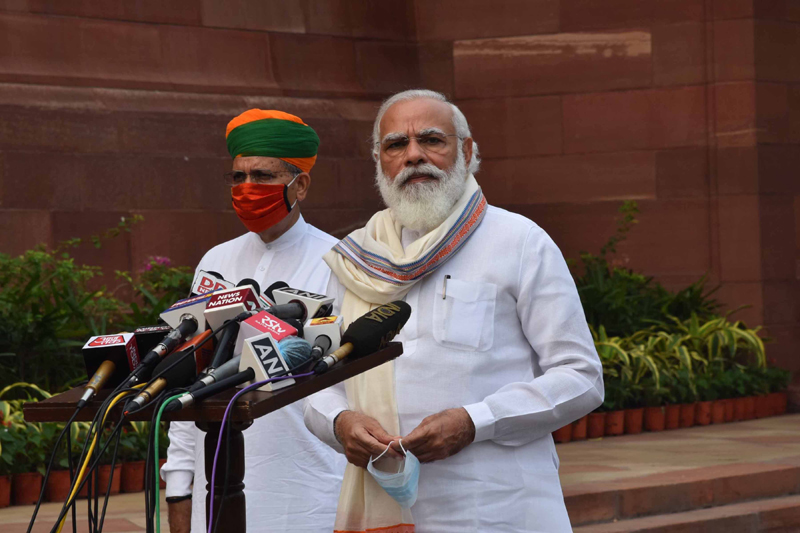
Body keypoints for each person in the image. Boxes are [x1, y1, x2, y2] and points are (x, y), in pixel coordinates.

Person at [304, 90, 604, 533]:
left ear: (466, 151)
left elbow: (581, 377)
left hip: (497, 508)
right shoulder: (354, 260)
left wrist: (475, 421)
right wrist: (339, 421)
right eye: (395, 145)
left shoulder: (519, 242)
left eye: (431, 140)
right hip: (383, 503)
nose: (413, 156)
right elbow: (318, 373)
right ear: (379, 161)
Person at [162, 109, 346, 533]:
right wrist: (179, 489)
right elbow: (189, 376)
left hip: (310, 491)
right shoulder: (215, 261)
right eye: (237, 177)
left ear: (299, 184)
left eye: (262, 176)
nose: (247, 189)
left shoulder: (338, 263)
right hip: (218, 488)